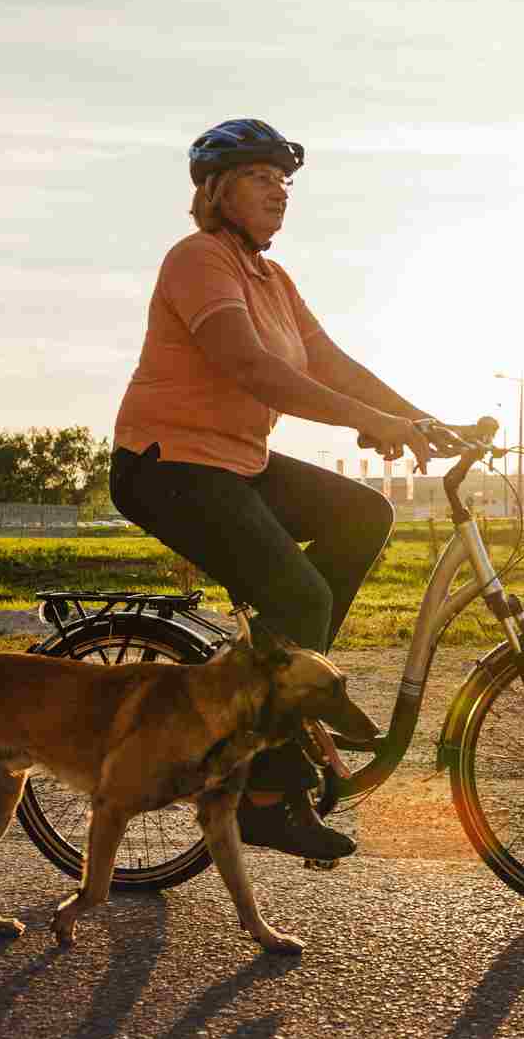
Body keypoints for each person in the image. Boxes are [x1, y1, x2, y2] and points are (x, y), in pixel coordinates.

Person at [108, 118, 443, 860]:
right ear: (219, 190)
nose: (279, 193)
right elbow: (251, 367)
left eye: (285, 181)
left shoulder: (272, 278)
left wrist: (418, 417)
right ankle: (266, 791)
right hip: (168, 466)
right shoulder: (196, 260)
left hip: (237, 461)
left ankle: (275, 679)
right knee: (302, 597)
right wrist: (368, 420)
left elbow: (329, 362)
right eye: (262, 177)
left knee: (363, 512)